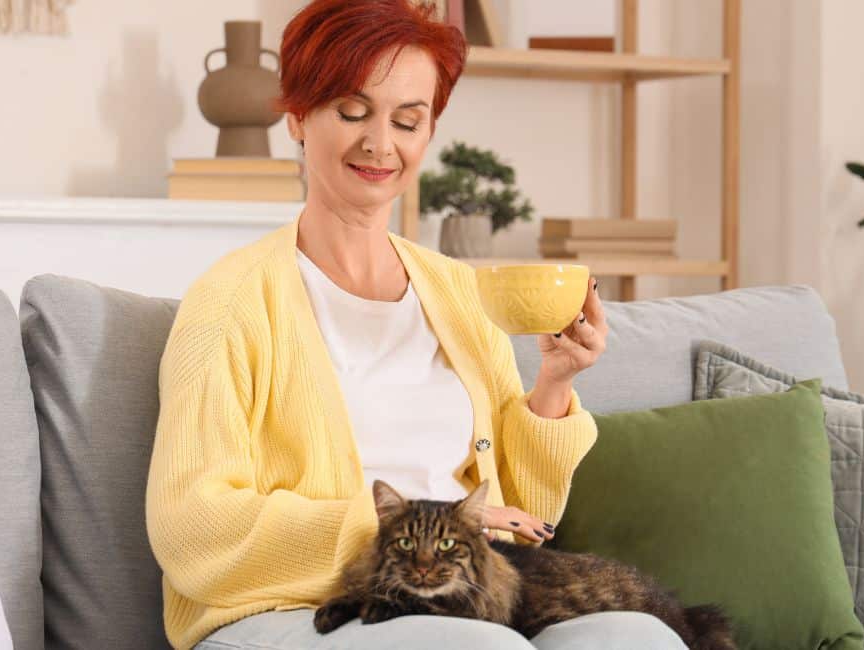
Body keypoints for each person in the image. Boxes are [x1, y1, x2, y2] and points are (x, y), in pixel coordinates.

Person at [145, 1, 688, 648]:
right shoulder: (230, 301)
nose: (381, 143)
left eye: (409, 120)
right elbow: (190, 529)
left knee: (637, 636)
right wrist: (376, 536)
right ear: (296, 117)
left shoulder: (458, 291)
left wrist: (554, 384)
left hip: (460, 602)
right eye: (352, 112)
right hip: (294, 609)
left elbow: (520, 518)